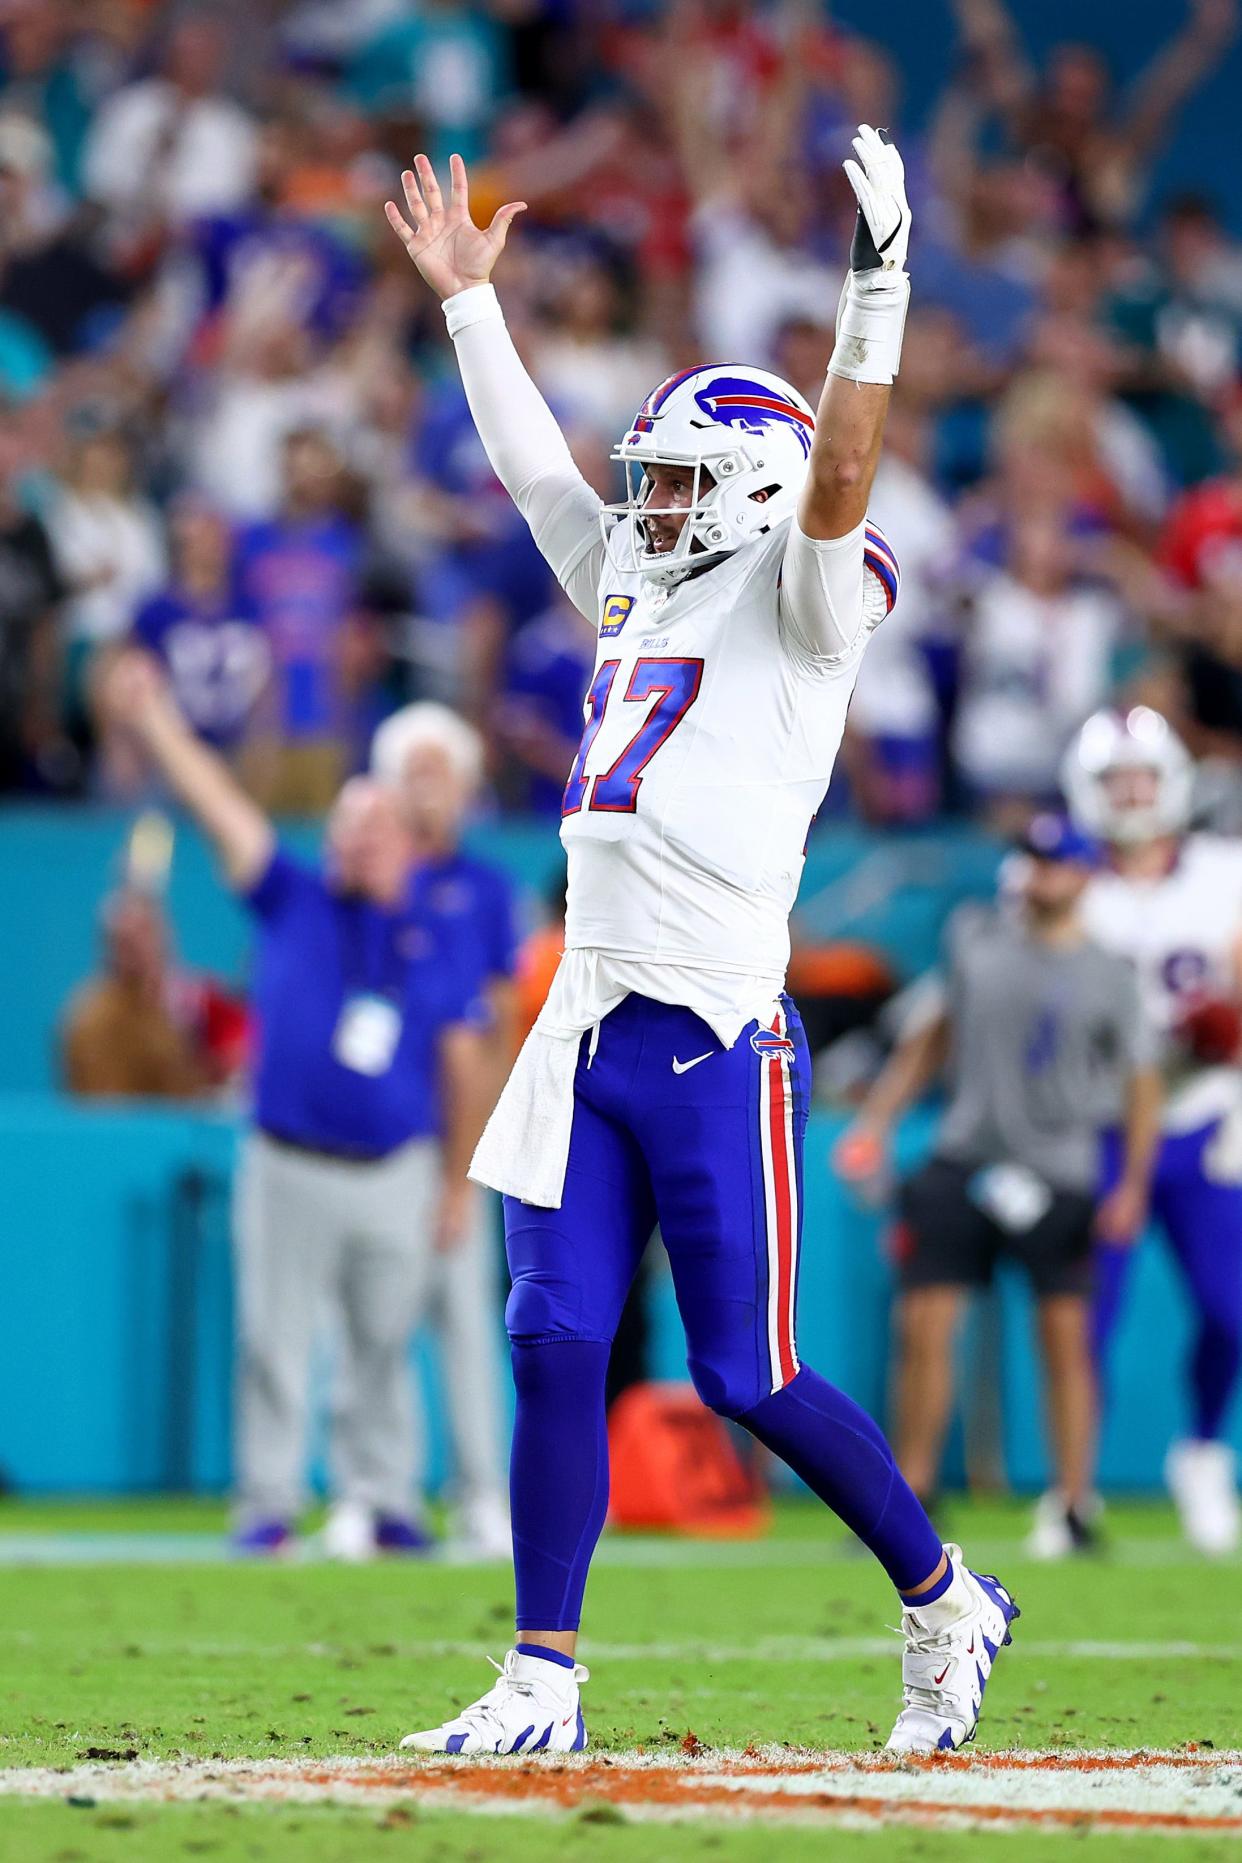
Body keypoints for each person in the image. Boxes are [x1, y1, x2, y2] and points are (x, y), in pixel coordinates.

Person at [383, 131, 1019, 1759]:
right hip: (586, 1015)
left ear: (745, 495)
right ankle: (541, 1674)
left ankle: (943, 1591)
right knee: (547, 1338)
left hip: (714, 1029)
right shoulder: (630, 584)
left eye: (672, 482)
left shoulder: (804, 600)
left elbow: (846, 478)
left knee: (743, 1370)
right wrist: (469, 308)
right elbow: (539, 475)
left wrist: (873, 297)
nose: (642, 506)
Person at [99, 649, 493, 1559]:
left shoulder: (436, 931)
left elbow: (462, 1058)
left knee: (385, 1347)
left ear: (405, 841)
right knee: (275, 1340)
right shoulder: (295, 898)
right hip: (289, 1158)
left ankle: (387, 1501)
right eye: (346, 824)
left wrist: (456, 1177)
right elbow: (220, 808)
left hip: (398, 1162)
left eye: (374, 826)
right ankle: (268, 1503)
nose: (356, 839)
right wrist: (156, 720)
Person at [834, 816, 1162, 1558]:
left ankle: (1074, 1501)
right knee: (924, 1325)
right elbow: (931, 1037)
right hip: (967, 1155)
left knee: (1065, 1338)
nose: (1037, 873)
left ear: (1082, 874)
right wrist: (878, 1120)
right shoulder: (977, 940)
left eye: (1053, 862)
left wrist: (1132, 1183)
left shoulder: (1110, 972)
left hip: (1061, 1167)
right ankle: (910, 1493)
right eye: (1031, 859)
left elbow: (1142, 1083)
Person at [1066, 705, 1242, 1553]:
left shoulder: (1222, 872)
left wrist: (1228, 1022)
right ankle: (1073, 1490)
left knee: (1231, 1308)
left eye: (1142, 776)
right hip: (1097, 1124)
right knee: (1086, 1320)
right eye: (1115, 780)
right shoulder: (1071, 881)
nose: (1131, 794)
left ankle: (1203, 1450)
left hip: (1203, 1117)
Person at [371, 700, 518, 1559]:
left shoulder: (487, 887)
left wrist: (481, 1141)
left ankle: (482, 1495)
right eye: (412, 770)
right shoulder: (371, 878)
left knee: (468, 1323)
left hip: (462, 1132)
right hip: (383, 1135)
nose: (427, 789)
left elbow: (500, 1017)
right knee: (373, 1324)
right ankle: (382, 1495)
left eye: (440, 771)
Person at [61, 882, 247, 1100]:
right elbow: (107, 1112)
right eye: (126, 941)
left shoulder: (187, 1002)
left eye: (147, 932)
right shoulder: (92, 1020)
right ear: (109, 947)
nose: (140, 948)